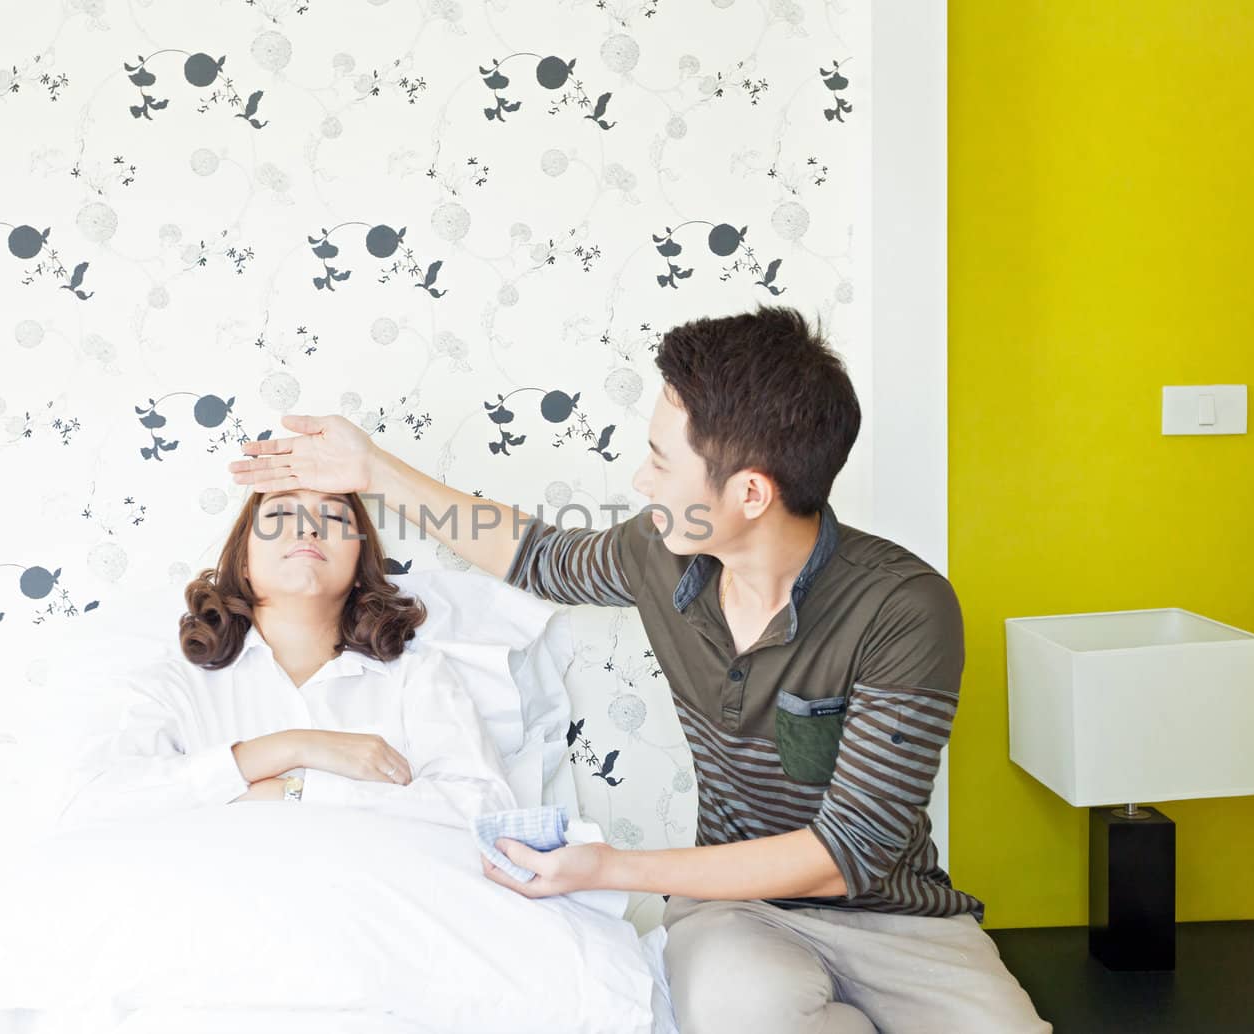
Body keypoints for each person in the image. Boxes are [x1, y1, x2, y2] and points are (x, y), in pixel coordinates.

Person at [228, 306, 1050, 1033]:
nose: (637, 480)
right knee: (742, 1012)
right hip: (738, 916)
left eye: (661, 460)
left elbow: (846, 854)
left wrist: (611, 868)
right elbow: (538, 555)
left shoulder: (904, 608)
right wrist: (372, 473)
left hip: (901, 919)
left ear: (752, 493)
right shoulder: (662, 557)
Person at [54, 487, 517, 835]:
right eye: (279, 514)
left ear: (360, 569)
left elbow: (483, 810)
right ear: (244, 563)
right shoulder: (174, 685)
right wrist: (292, 747)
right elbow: (89, 805)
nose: (308, 528)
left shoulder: (415, 677)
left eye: (334, 517)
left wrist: (294, 793)